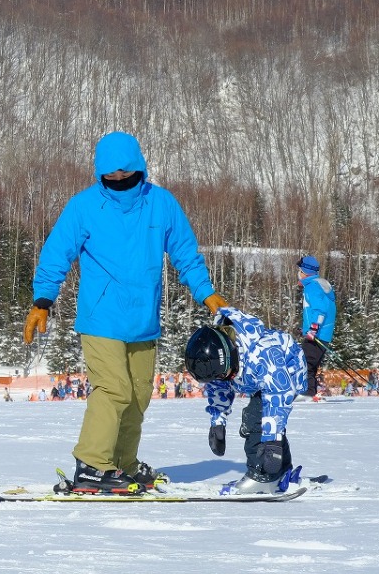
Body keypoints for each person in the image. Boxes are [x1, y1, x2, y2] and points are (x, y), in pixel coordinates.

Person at [23, 131, 228, 495]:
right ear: (99, 173)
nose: (118, 181)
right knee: (114, 389)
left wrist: (207, 294)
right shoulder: (84, 206)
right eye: (110, 176)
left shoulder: (160, 204)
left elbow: (185, 252)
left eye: (124, 174)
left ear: (139, 167)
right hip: (101, 317)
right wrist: (43, 300)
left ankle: (121, 464)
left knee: (137, 395)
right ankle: (91, 463)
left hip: (143, 320)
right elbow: (57, 253)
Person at [184, 306, 307, 494]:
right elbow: (219, 387)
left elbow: (277, 398)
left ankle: (264, 476)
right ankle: (282, 470)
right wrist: (218, 422)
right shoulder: (223, 362)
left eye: (224, 374)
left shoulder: (263, 354)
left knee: (256, 421)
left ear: (231, 355)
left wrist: (272, 441)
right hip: (256, 378)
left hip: (285, 375)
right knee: (259, 421)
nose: (224, 378)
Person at [297, 255, 336, 401]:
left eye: (300, 270)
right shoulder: (318, 284)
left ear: (305, 272)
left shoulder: (312, 287)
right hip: (322, 332)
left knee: (306, 363)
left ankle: (308, 393)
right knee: (308, 363)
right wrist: (306, 328)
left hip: (317, 334)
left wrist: (313, 329)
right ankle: (308, 392)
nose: (298, 273)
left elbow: (320, 310)